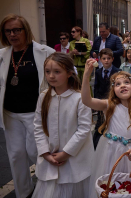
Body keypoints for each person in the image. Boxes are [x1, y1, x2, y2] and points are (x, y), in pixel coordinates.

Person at [0, 13, 55, 198]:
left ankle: (46, 189)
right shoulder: (2, 55)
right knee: (15, 155)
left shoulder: (45, 52)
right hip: (10, 113)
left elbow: (61, 77)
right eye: (8, 31)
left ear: (25, 30)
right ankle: (24, 193)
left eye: (16, 30)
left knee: (35, 152)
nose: (12, 34)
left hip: (35, 113)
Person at [82, 62, 131, 198]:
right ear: (113, 90)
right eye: (118, 84)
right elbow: (86, 100)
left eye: (126, 82)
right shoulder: (109, 106)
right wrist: (86, 76)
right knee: (108, 184)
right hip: (109, 152)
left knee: (129, 186)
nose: (122, 86)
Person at [33, 52, 93, 198]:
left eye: (57, 72)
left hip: (74, 160)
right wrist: (45, 153)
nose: (51, 76)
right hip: (50, 159)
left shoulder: (80, 98)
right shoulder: (44, 96)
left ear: (69, 73)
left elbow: (84, 129)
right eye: (48, 72)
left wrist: (65, 153)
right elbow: (38, 126)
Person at [93, 48, 121, 149]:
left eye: (108, 58)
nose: (106, 60)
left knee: (112, 123)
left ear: (112, 59)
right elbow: (96, 87)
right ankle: (96, 146)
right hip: (101, 102)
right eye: (104, 58)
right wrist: (95, 102)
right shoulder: (98, 72)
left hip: (113, 101)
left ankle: (112, 145)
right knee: (100, 124)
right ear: (100, 59)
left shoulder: (117, 71)